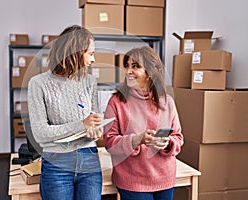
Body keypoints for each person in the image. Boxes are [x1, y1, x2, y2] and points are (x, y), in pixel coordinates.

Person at [27, 25, 103, 200]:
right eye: (90, 53)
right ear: (75, 51)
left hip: (89, 160)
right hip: (56, 162)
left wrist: (96, 130)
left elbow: (94, 121)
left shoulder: (90, 82)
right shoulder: (38, 84)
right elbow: (40, 133)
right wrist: (81, 124)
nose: (93, 59)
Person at [103, 46, 184, 200]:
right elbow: (109, 142)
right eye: (127, 66)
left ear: (150, 72)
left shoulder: (167, 102)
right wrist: (136, 140)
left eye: (135, 66)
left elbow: (178, 137)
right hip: (132, 180)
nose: (128, 71)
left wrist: (168, 143)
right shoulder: (116, 102)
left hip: (164, 179)